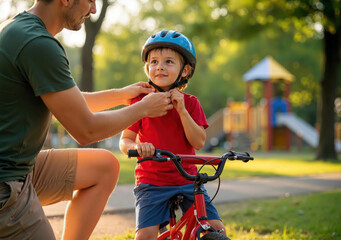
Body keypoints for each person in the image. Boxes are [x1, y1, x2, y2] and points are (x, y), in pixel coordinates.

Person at [0, 0, 174, 239]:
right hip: (7, 182)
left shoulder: (17, 28)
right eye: (90, 0)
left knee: (104, 167)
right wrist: (142, 110)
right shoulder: (38, 44)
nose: (93, 10)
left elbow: (66, 100)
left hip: (22, 167)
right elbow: (85, 131)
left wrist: (121, 96)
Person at [119, 30, 226, 240]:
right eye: (154, 62)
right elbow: (125, 141)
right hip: (151, 182)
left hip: (188, 179)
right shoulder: (141, 102)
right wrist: (138, 147)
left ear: (184, 71)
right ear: (147, 68)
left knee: (216, 227)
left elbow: (199, 141)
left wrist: (182, 111)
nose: (159, 66)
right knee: (145, 237)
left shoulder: (191, 103)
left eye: (168, 62)